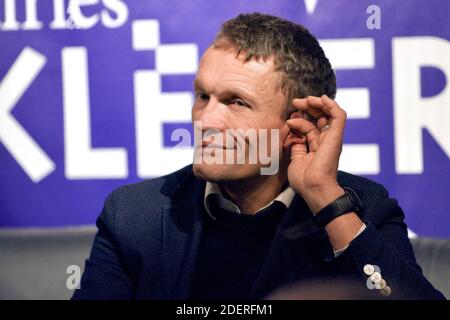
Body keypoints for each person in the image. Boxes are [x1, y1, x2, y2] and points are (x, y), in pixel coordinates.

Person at [72, 13, 445, 300]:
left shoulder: (361, 209)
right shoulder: (136, 216)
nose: (207, 121)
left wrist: (325, 199)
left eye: (237, 102)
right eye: (203, 96)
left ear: (300, 122)